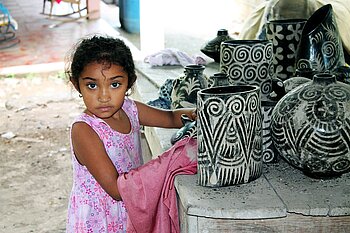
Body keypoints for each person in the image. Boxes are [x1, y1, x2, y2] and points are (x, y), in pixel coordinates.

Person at [64, 34, 197, 232]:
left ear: (129, 83)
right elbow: (116, 190)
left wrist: (197, 114)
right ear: (77, 85)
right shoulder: (84, 130)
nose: (104, 96)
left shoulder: (130, 109)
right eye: (92, 85)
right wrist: (164, 164)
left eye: (115, 84)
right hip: (99, 220)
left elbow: (170, 118)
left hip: (128, 210)